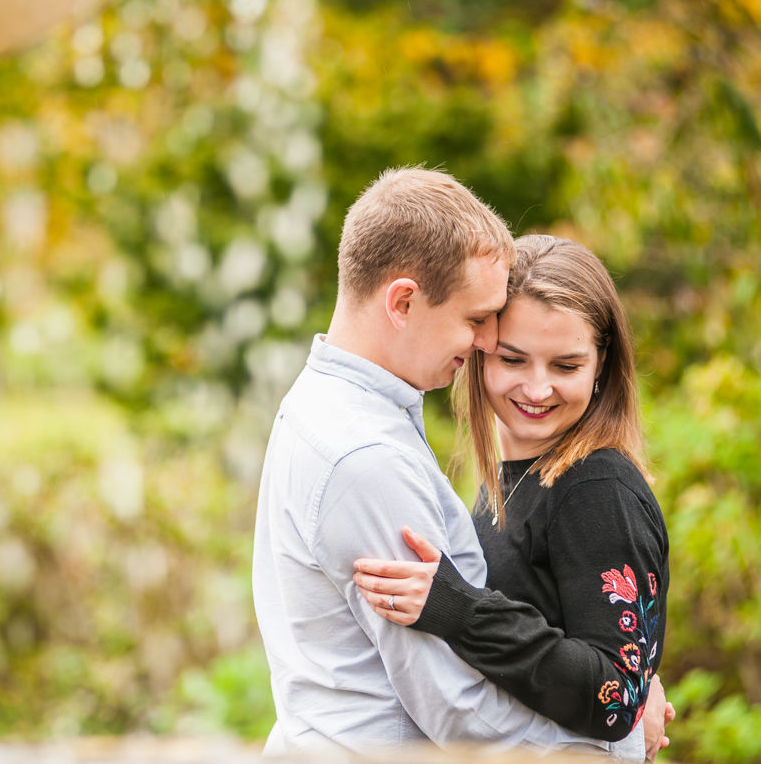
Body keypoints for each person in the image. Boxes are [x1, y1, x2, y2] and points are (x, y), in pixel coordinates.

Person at [252, 169, 663, 760]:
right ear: (403, 302)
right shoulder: (368, 457)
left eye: (566, 364)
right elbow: (455, 706)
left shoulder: (320, 410)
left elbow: (597, 668)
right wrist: (623, 740)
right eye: (477, 321)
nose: (484, 342)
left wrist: (625, 700)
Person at [352, 234, 672, 755]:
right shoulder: (516, 473)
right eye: (513, 359)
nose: (537, 388)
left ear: (601, 366)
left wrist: (459, 610)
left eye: (566, 366)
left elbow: (616, 699)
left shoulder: (596, 488)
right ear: (479, 352)